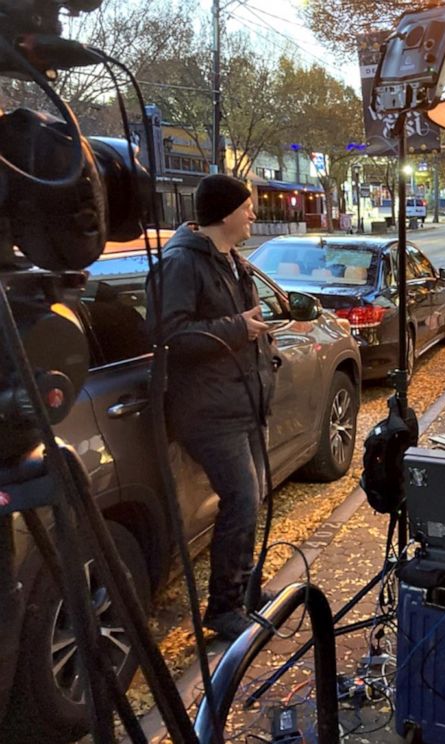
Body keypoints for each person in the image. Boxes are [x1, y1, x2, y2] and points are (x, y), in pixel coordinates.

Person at [146, 174, 278, 641]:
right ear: (225, 213)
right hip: (208, 410)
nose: (254, 215)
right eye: (248, 207)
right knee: (241, 499)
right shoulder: (182, 263)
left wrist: (265, 348)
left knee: (253, 498)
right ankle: (223, 608)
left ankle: (245, 591)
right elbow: (170, 336)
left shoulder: (232, 261)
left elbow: (243, 324)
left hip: (242, 402)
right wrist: (238, 329)